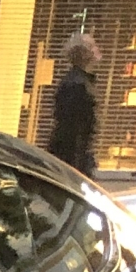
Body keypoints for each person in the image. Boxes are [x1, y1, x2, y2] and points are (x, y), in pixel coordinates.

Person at [46, 31, 100, 176]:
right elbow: (73, 129)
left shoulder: (79, 82)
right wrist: (77, 167)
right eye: (93, 47)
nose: (98, 50)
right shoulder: (77, 85)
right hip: (73, 158)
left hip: (73, 157)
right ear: (85, 54)